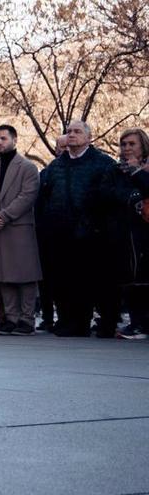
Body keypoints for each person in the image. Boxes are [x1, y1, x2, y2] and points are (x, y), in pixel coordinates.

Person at [37, 121, 121, 337]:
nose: (72, 135)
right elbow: (44, 195)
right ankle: (68, 320)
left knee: (92, 280)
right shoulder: (55, 166)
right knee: (64, 280)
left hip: (92, 234)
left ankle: (99, 322)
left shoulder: (103, 163)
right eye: (69, 132)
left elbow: (108, 198)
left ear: (89, 137)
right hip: (60, 234)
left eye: (77, 131)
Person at [0, 124, 43, 335]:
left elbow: (27, 196)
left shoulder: (28, 167)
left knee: (24, 274)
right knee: (2, 275)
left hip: (18, 227)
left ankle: (27, 319)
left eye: (2, 139)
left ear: (14, 140)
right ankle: (11, 318)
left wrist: (3, 216)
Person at [107, 128, 149, 339]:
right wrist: (131, 196)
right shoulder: (115, 171)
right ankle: (136, 322)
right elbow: (109, 193)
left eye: (132, 144)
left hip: (145, 229)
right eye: (123, 144)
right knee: (131, 277)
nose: (127, 148)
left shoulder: (145, 169)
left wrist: (137, 173)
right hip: (126, 230)